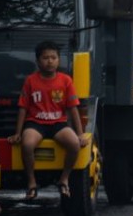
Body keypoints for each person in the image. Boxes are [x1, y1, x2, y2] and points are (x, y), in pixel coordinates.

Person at [8, 40, 87, 200]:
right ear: (38, 61)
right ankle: (31, 182)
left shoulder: (66, 80)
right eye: (45, 58)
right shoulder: (30, 80)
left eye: (53, 58)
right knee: (27, 144)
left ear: (59, 60)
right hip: (35, 123)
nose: (49, 61)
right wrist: (18, 132)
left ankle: (64, 179)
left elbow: (73, 108)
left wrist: (80, 134)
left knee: (74, 144)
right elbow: (23, 108)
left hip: (58, 123)